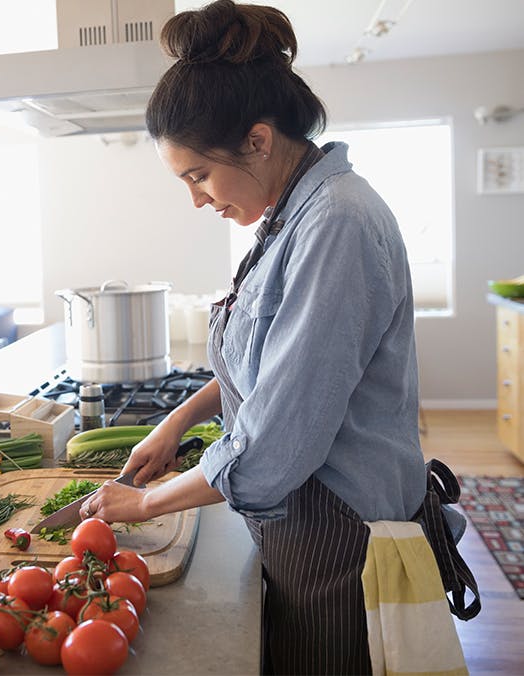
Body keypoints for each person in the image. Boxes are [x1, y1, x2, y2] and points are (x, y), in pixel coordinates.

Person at [77, 1, 475, 673]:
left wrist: (144, 503)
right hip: (311, 530)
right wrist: (177, 421)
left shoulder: (336, 225)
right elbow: (272, 360)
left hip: (344, 544)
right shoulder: (293, 215)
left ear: (258, 141)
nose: (197, 199)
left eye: (199, 175)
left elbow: (274, 446)